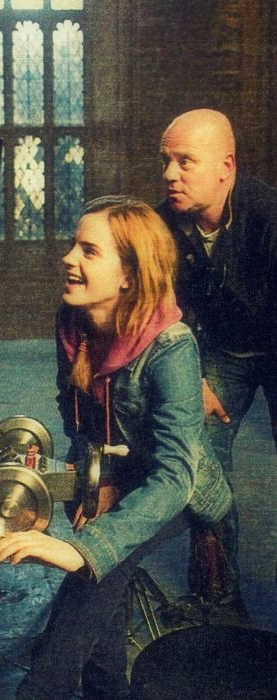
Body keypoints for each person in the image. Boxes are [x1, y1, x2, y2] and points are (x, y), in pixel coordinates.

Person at [0, 196, 231, 700]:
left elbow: (176, 477)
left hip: (177, 487)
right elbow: (75, 411)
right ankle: (107, 688)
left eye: (89, 250)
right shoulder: (74, 321)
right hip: (117, 474)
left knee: (96, 566)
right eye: (73, 244)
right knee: (105, 578)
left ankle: (41, 691)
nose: (68, 258)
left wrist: (81, 549)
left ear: (129, 275)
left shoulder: (171, 346)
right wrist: (93, 478)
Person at [157, 108, 277, 612]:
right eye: (166, 161)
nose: (170, 174)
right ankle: (219, 599)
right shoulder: (162, 223)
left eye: (185, 161)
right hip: (219, 352)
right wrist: (191, 378)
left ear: (226, 167)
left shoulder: (268, 216)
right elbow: (158, 309)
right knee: (198, 455)